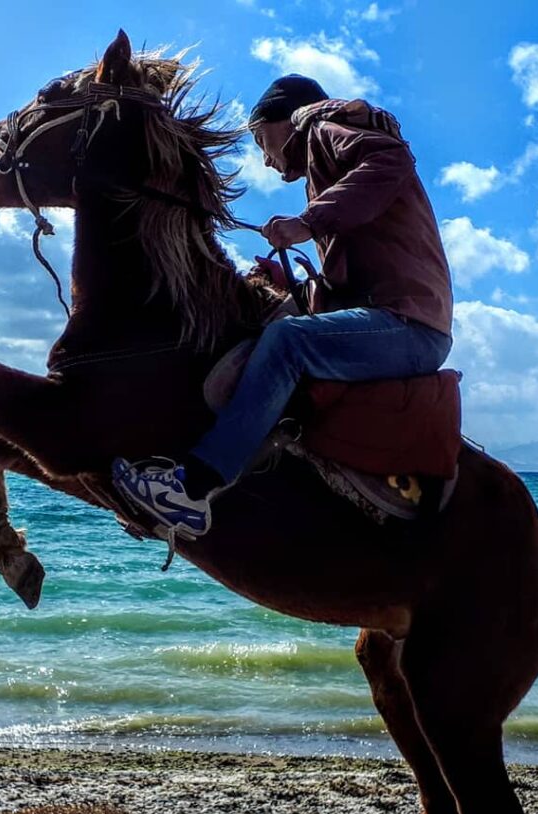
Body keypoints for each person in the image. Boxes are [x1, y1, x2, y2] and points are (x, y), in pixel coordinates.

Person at [112, 74, 454, 537]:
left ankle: (193, 489)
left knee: (288, 341)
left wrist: (308, 222)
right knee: (281, 329)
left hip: (408, 325)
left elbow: (389, 161)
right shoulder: (324, 163)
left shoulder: (321, 129)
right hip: (394, 320)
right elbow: (348, 287)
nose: (265, 160)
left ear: (280, 121)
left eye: (259, 140)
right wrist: (286, 282)